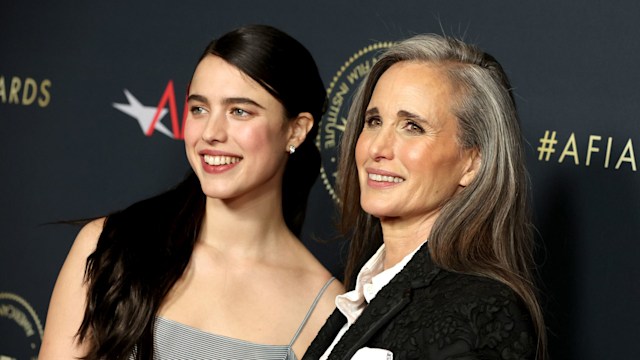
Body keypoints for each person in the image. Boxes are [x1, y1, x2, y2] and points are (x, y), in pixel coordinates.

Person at [39, 24, 343, 360]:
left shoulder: (324, 309)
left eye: (239, 111)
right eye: (199, 109)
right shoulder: (109, 246)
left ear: (296, 130)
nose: (211, 132)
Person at [303, 34, 547, 360]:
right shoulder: (366, 290)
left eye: (412, 127)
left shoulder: (484, 310)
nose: (377, 148)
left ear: (472, 163)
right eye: (374, 121)